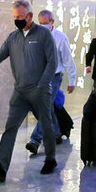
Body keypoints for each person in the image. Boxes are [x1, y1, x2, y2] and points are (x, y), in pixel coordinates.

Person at [0, 0, 58, 180]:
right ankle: (1, 167)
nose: (17, 20)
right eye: (14, 17)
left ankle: (51, 159)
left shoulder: (43, 34)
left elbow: (52, 62)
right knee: (10, 127)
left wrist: (42, 85)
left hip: (39, 90)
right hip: (20, 92)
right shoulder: (13, 37)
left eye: (20, 17)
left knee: (46, 124)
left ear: (30, 16)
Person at [26, 9, 76, 153]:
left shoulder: (60, 38)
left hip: (53, 77)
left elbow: (67, 60)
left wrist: (72, 80)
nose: (42, 26)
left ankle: (35, 141)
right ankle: (56, 133)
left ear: (52, 22)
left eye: (45, 23)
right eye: (40, 23)